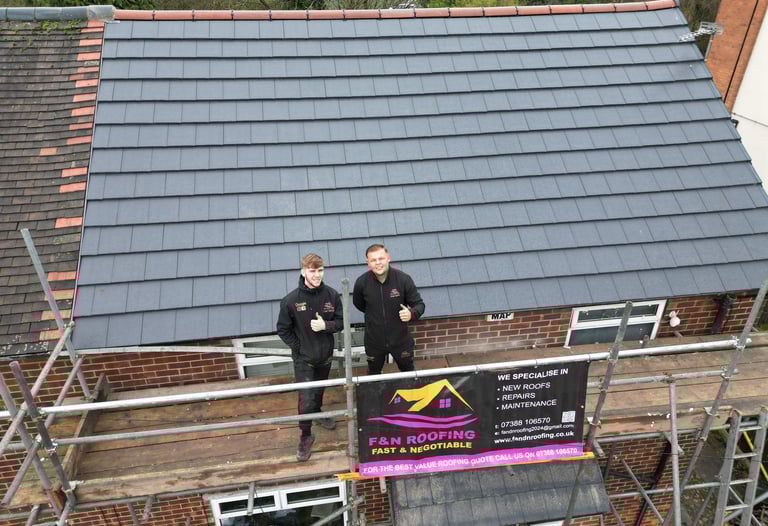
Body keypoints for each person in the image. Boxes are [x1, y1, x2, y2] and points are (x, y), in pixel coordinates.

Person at [276, 253, 343, 462]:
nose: (317, 275)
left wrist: (326, 326)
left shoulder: (332, 296)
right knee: (305, 398)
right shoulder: (291, 301)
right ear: (303, 271)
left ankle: (318, 413)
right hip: (304, 359)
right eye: (312, 271)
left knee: (319, 390)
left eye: (320, 270)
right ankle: (305, 435)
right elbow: (283, 330)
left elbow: (341, 322)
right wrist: (300, 348)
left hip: (324, 356)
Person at [353, 244, 425, 375]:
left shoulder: (403, 279)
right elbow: (359, 304)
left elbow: (419, 305)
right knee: (373, 374)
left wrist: (411, 314)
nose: (378, 263)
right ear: (368, 263)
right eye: (373, 260)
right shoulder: (361, 283)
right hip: (374, 342)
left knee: (408, 373)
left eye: (381, 258)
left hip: (401, 340)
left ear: (388, 258)